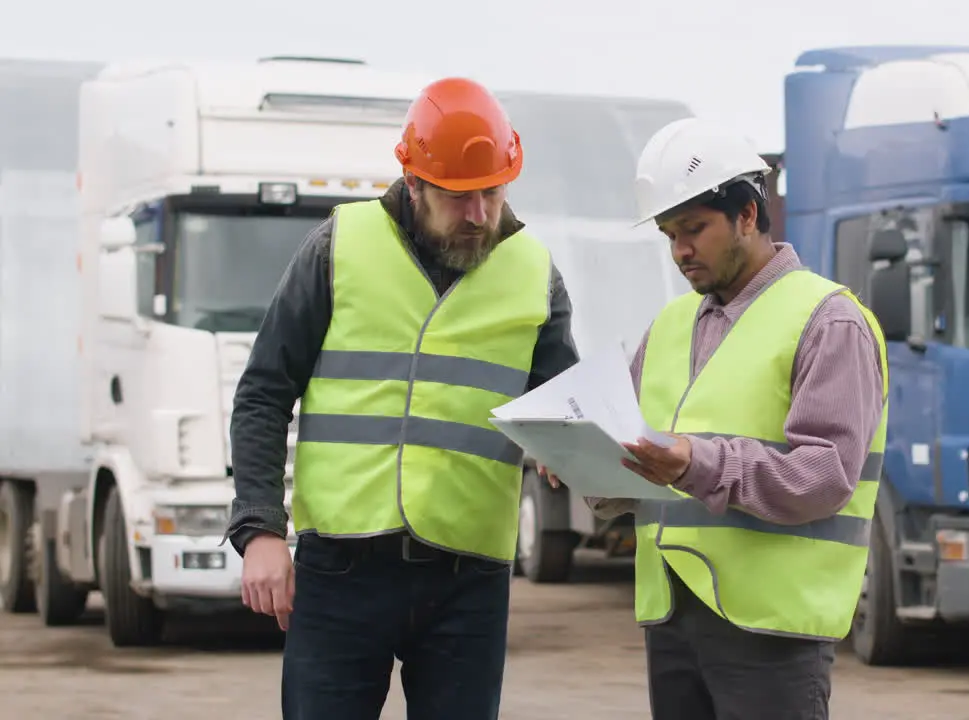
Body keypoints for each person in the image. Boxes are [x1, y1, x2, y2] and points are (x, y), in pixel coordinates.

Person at [224, 77, 579, 720]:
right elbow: (263, 392)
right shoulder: (339, 247)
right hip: (341, 569)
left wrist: (577, 447)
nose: (478, 216)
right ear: (413, 184)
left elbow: (569, 409)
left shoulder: (535, 273)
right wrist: (259, 531)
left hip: (469, 582)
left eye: (492, 194)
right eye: (457, 198)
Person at [572, 117, 889, 720]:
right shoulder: (667, 329)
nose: (680, 251)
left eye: (694, 229)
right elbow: (636, 457)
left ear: (748, 213)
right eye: (668, 235)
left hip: (771, 627)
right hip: (673, 613)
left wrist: (698, 462)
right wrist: (581, 463)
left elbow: (824, 476)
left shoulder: (827, 321)